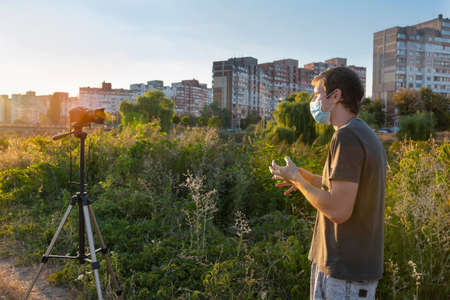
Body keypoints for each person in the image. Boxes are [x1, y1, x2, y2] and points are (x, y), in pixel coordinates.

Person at [269, 67, 386, 300]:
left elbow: (338, 209)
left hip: (344, 272)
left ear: (336, 96)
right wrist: (303, 177)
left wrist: (298, 181)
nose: (313, 100)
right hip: (345, 270)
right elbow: (346, 189)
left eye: (317, 94)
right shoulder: (362, 133)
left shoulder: (346, 137)